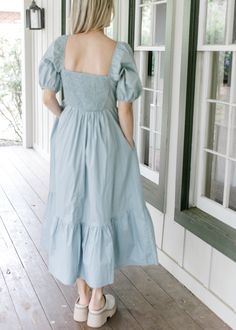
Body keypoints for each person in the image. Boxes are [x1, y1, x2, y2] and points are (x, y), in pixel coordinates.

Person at [38, 0, 159, 327]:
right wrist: (128, 144)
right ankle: (98, 300)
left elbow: (48, 97)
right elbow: (125, 109)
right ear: (105, 8)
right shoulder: (118, 51)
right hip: (107, 137)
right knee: (100, 209)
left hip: (69, 136)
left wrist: (67, 119)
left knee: (73, 206)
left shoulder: (62, 46)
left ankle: (81, 297)